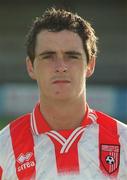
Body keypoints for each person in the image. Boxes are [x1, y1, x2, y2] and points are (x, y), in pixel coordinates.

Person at [0, 7, 127, 180]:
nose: (60, 67)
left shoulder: (123, 142)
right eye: (48, 56)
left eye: (72, 56)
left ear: (90, 65)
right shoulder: (4, 147)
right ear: (30, 66)